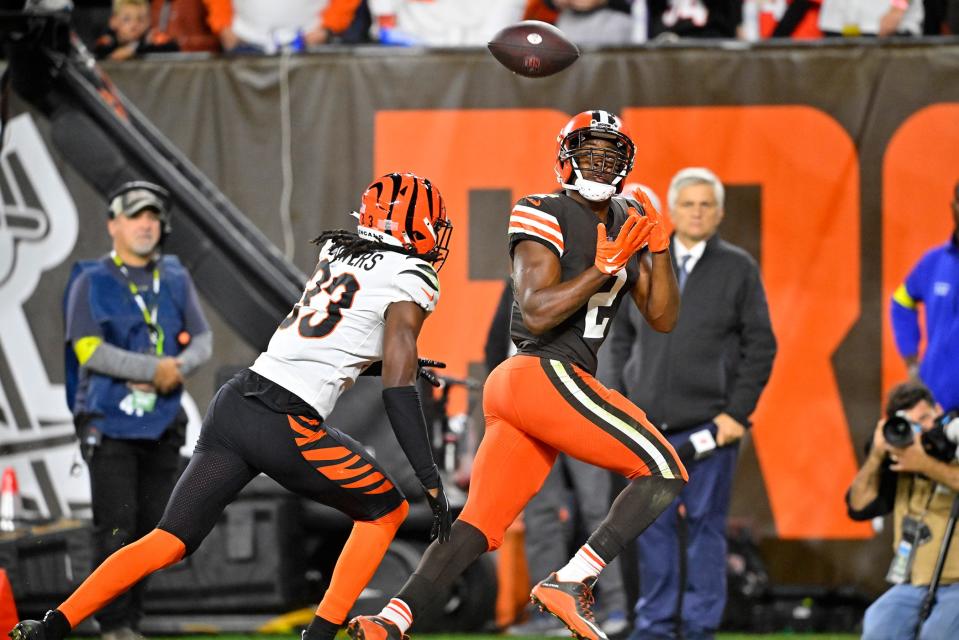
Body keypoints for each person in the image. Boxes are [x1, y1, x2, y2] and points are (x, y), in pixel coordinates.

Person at [10, 172, 454, 640]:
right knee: (386, 509)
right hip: (285, 420)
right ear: (416, 228)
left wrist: (394, 361)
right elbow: (397, 391)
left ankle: (52, 625)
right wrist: (429, 479)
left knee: (167, 539)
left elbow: (335, 346)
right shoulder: (411, 274)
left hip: (238, 403)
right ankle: (320, 635)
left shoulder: (338, 252)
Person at [348, 110, 688, 640]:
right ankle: (571, 581)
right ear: (565, 157)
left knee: (478, 525)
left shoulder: (629, 219)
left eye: (610, 153)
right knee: (663, 469)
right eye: (590, 150)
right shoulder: (541, 210)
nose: (600, 161)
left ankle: (390, 621)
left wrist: (658, 245)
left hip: (533, 387)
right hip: (542, 370)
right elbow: (535, 311)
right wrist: (602, 267)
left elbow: (663, 318)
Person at [610, 167, 776, 640]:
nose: (697, 212)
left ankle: (700, 627)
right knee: (651, 529)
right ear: (672, 211)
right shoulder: (642, 263)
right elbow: (619, 337)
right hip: (647, 430)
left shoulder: (738, 268)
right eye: (688, 204)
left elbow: (761, 345)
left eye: (706, 204)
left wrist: (735, 414)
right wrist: (621, 400)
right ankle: (656, 626)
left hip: (709, 428)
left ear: (720, 213)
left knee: (705, 528)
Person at [61, 181, 211, 640]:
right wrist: (155, 368)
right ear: (113, 225)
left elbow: (203, 340)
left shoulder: (177, 276)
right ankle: (113, 624)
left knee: (153, 534)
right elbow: (87, 349)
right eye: (135, 216)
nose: (146, 225)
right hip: (110, 427)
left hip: (163, 425)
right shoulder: (92, 280)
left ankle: (133, 621)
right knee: (115, 528)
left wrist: (177, 367)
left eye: (152, 217)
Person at [846, 381, 959, 640]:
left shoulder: (954, 442)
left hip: (956, 583)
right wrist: (876, 455)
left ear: (938, 410)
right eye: (911, 423)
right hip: (910, 585)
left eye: (924, 418)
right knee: (878, 624)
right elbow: (858, 505)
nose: (920, 429)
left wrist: (925, 464)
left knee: (937, 634)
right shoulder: (898, 463)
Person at [890, 179, 959, 415]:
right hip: (938, 403)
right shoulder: (934, 262)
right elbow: (901, 302)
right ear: (954, 206)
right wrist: (911, 361)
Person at [94, 0, 179, 61]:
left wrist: (134, 53)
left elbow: (173, 49)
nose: (134, 24)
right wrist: (112, 56)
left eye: (140, 19)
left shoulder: (153, 38)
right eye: (127, 19)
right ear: (113, 21)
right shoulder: (107, 41)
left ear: (148, 22)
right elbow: (98, 53)